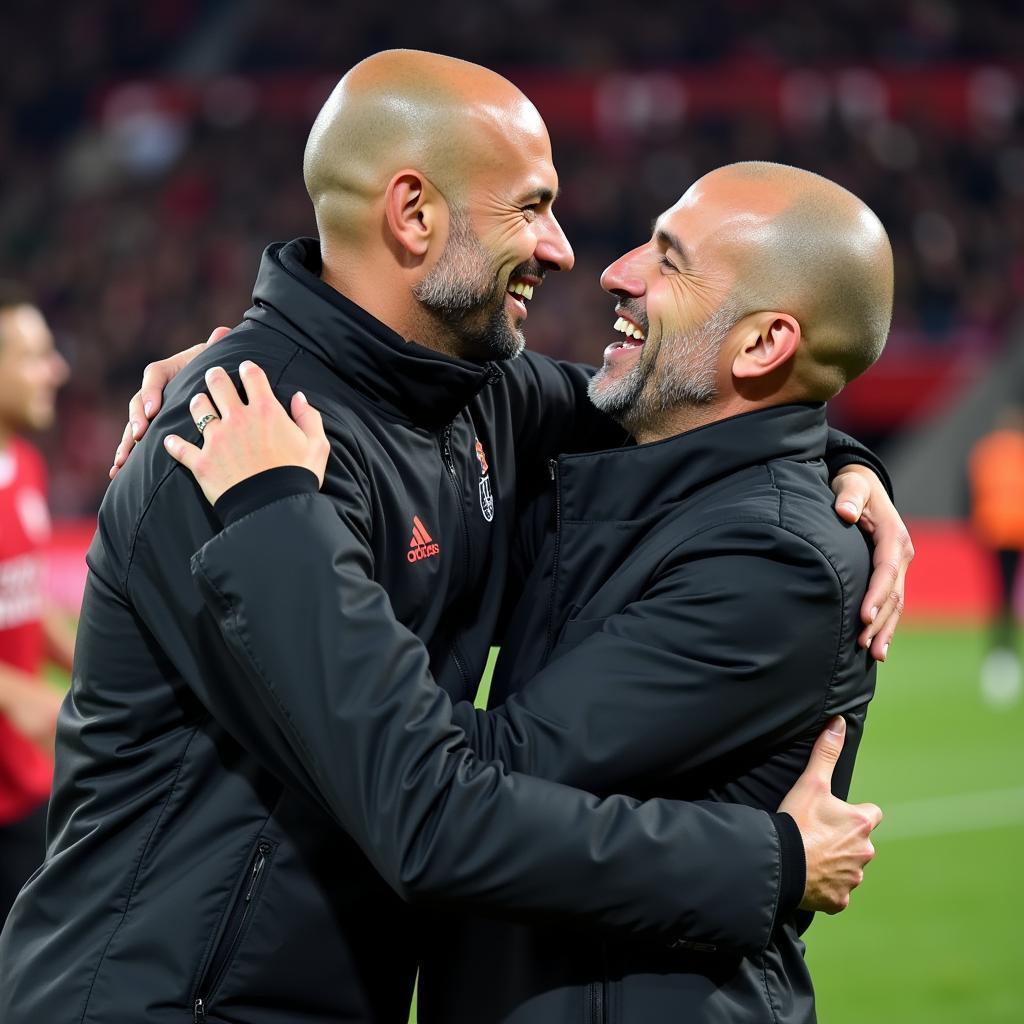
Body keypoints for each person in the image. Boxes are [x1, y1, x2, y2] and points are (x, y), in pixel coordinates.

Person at [0, 52, 903, 1024]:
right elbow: (431, 810)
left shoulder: (477, 403)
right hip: (168, 1001)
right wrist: (770, 862)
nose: (571, 254)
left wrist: (843, 467)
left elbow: (707, 412)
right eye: (530, 207)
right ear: (413, 213)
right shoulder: (238, 443)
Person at [0, 283, 73, 923]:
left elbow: (22, 603)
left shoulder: (23, 466)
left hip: (21, 792)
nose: (56, 370)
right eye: (32, 356)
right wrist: (38, 701)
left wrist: (101, 667)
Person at [969, 404, 1024, 705]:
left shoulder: (986, 451)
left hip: (992, 529)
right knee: (1005, 595)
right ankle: (1005, 654)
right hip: (1014, 531)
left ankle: (1001, 654)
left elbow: (970, 490)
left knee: (1000, 594)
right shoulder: (1016, 451)